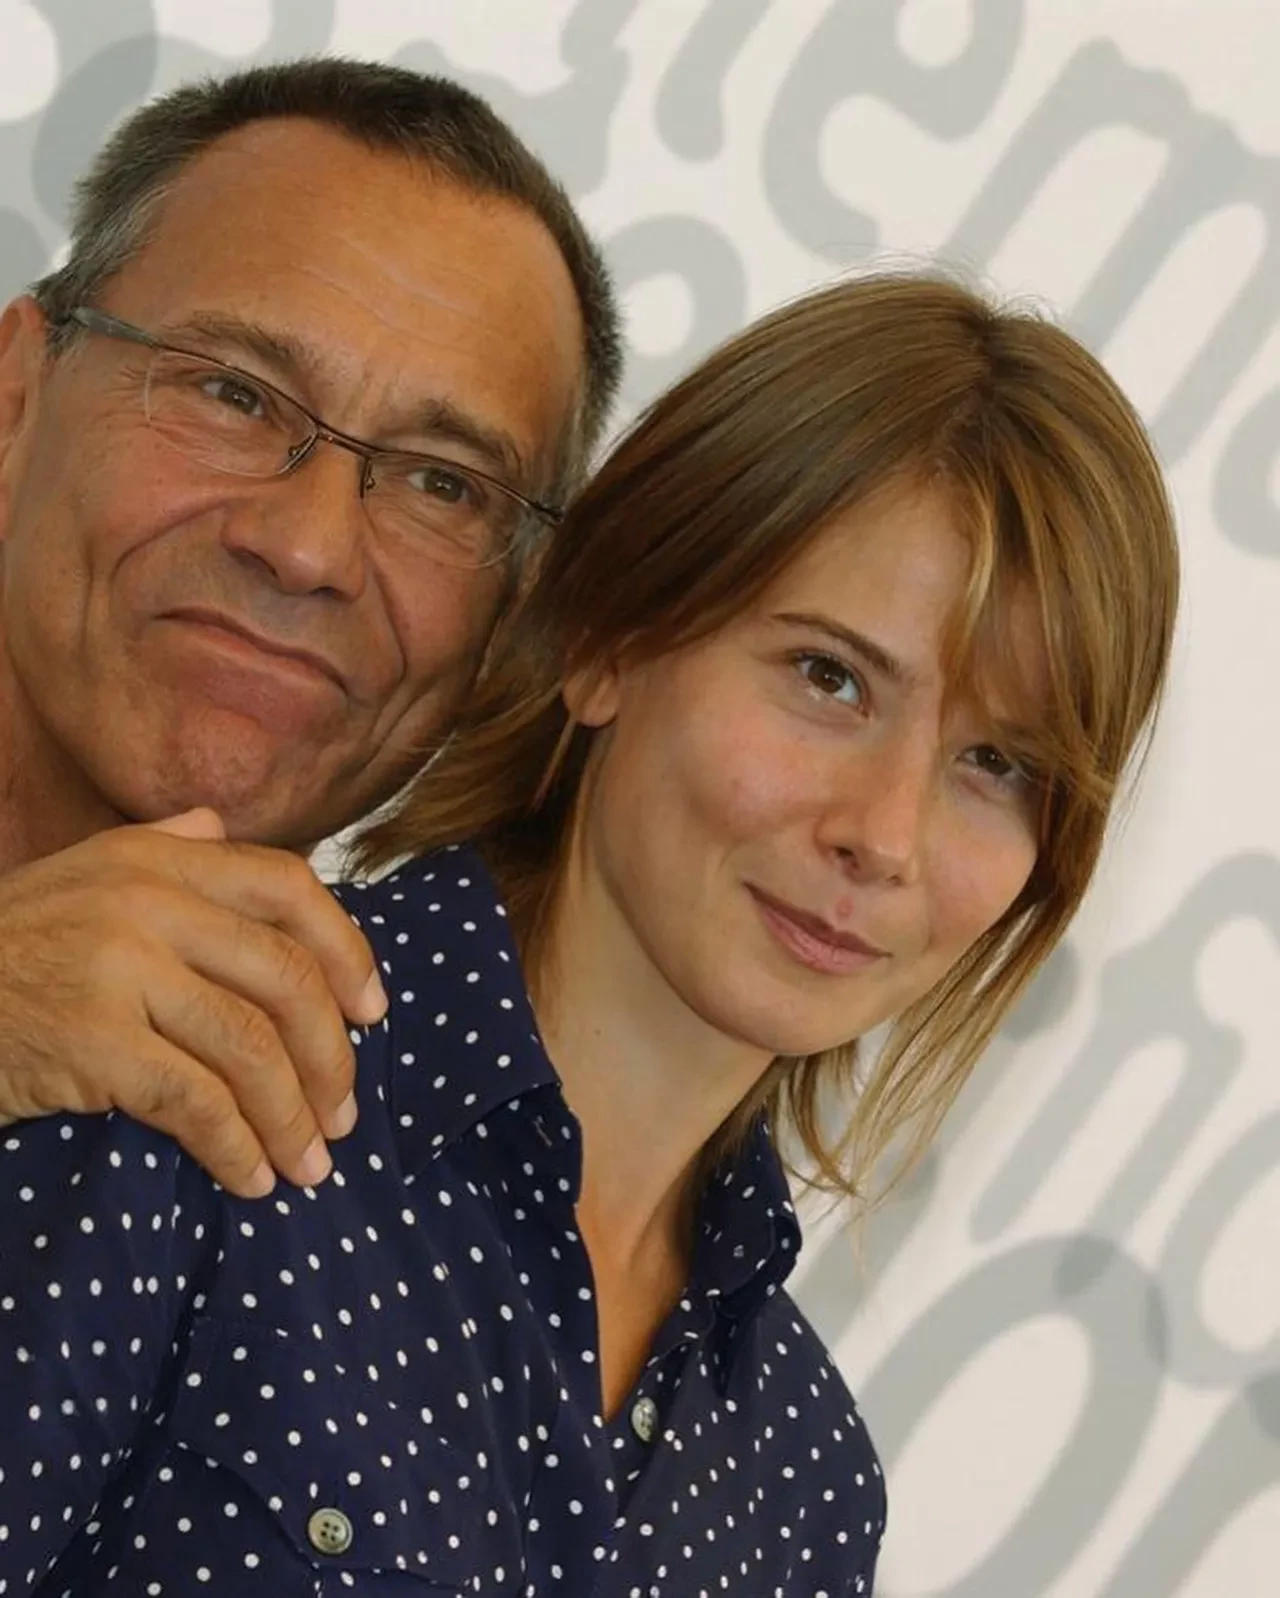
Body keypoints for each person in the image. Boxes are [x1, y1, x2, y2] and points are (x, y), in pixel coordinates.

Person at [0, 272, 1178, 1594]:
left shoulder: (805, 1481)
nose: (885, 834)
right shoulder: (187, 1056)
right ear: (610, 636)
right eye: (829, 677)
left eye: (998, 762)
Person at [0, 56, 622, 1196]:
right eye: (233, 393)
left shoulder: (439, 1185)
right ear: (16, 401)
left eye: (442, 483)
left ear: (513, 624)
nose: (307, 549)